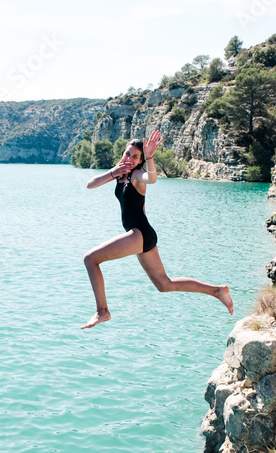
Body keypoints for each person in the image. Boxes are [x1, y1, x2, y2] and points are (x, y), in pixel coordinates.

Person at [80, 130, 234, 329]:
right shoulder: (119, 174)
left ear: (140, 161)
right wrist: (113, 172)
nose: (130, 158)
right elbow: (90, 185)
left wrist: (150, 157)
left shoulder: (136, 175)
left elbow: (151, 178)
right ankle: (217, 291)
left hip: (139, 233)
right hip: (144, 236)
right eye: (128, 153)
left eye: (136, 157)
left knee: (90, 259)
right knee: (164, 285)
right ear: (123, 153)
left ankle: (102, 311)